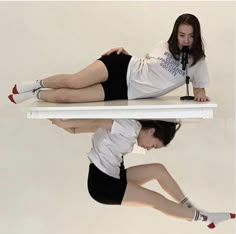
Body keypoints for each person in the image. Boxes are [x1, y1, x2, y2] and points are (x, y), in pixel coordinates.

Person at [49, 118, 235, 229]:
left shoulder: (131, 131)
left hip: (114, 175)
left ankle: (191, 209)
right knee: (155, 200)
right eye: (154, 144)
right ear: (151, 130)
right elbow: (87, 124)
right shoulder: (128, 127)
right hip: (103, 184)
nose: (150, 148)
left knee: (158, 169)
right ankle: (206, 217)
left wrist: (64, 123)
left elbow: (75, 130)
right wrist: (60, 120)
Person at [9, 13, 209, 105]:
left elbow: (199, 88)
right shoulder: (163, 45)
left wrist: (201, 95)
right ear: (175, 33)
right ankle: (36, 83)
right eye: (182, 35)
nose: (186, 40)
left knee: (66, 97)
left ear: (196, 36)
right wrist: (125, 52)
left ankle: (35, 94)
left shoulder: (197, 61)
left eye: (191, 36)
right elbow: (146, 65)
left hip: (126, 90)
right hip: (123, 66)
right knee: (73, 81)